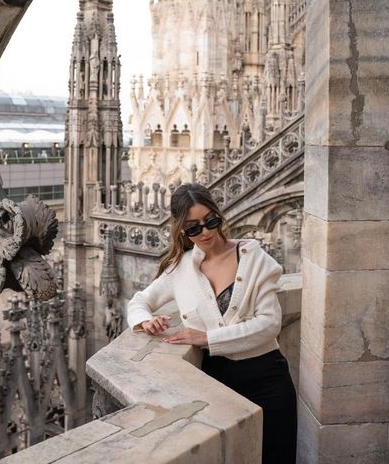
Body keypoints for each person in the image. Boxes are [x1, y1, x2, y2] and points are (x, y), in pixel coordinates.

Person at [127, 183, 297, 463]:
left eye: (210, 221)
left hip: (268, 378)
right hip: (216, 383)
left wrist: (206, 339)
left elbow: (269, 325)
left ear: (219, 215)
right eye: (193, 227)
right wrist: (147, 321)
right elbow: (138, 302)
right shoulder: (180, 269)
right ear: (181, 229)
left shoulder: (253, 257)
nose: (205, 232)